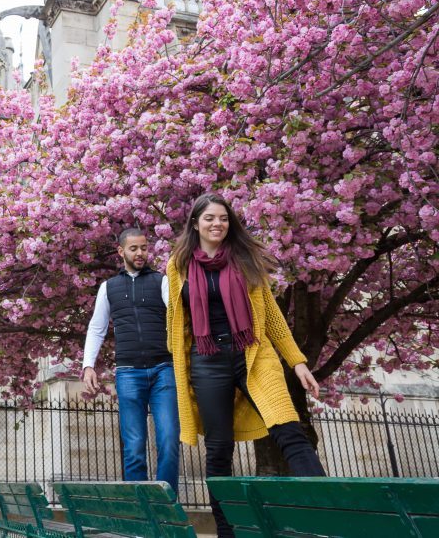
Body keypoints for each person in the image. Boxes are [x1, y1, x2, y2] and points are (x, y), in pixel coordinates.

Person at [165, 193, 326, 537]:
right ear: (195, 223)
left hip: (252, 352)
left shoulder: (243, 258)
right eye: (209, 218)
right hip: (207, 360)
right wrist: (179, 370)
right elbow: (175, 325)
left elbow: (271, 315)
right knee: (219, 449)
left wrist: (297, 362)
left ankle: (327, 511)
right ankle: (227, 530)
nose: (217, 224)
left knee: (289, 429)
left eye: (223, 218)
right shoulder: (177, 266)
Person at [82, 228, 180, 496]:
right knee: (134, 446)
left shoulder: (162, 281)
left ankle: (166, 505)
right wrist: (88, 365)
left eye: (144, 248)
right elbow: (97, 328)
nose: (140, 253)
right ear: (121, 251)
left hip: (164, 370)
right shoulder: (108, 287)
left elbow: (177, 320)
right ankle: (142, 512)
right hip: (128, 374)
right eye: (134, 248)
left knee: (170, 440)